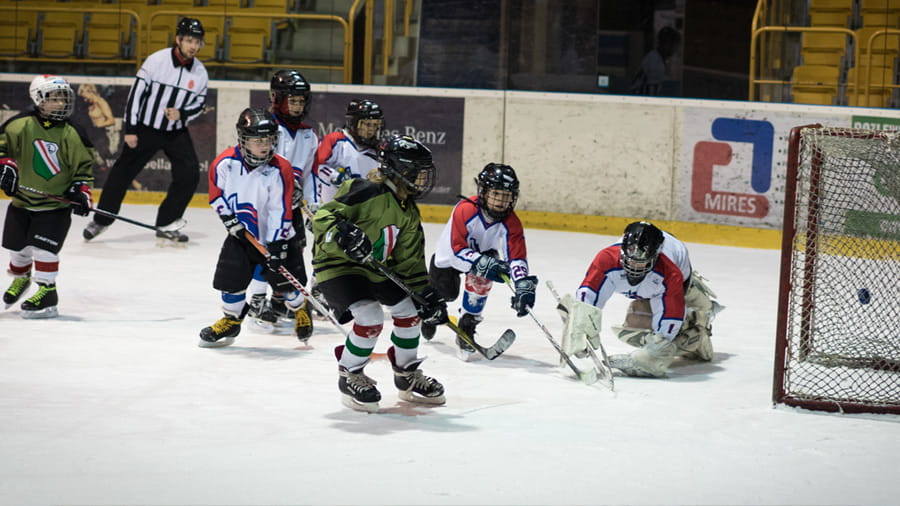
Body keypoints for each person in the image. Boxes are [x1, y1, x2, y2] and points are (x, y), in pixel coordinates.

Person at [312, 134, 448, 413]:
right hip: (337, 266)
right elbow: (323, 218)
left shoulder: (408, 211)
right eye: (417, 173)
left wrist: (427, 295)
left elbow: (408, 262)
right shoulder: (364, 190)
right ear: (399, 170)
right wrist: (342, 235)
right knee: (370, 316)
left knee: (410, 312)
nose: (423, 180)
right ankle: (350, 373)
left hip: (375, 268)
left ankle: (406, 374)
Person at [82, 17, 208, 245]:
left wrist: (182, 113)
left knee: (189, 174)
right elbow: (136, 96)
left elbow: (199, 104)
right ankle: (101, 220)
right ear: (178, 39)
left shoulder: (200, 72)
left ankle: (167, 223)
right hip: (146, 129)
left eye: (197, 42)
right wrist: (131, 130)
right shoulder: (156, 61)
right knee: (122, 173)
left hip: (175, 131)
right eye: (189, 40)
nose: (193, 46)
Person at [200, 107, 310, 347]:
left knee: (287, 285)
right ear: (243, 140)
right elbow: (216, 195)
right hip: (242, 236)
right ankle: (231, 320)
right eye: (257, 140)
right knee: (230, 280)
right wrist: (229, 221)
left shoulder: (281, 168)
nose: (264, 145)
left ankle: (300, 309)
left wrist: (278, 245)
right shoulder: (225, 163)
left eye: (268, 139)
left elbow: (280, 210)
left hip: (276, 238)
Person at [573, 221, 721, 378]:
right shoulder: (607, 259)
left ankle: (697, 332)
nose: (635, 264)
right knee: (636, 324)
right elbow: (589, 292)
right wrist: (581, 326)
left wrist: (654, 352)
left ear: (657, 254)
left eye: (642, 259)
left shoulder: (671, 273)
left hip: (678, 281)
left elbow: (671, 317)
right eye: (631, 255)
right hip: (654, 284)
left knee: (648, 326)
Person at [1, 75, 95, 319]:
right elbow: (2, 149)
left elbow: (83, 168)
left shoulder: (72, 132)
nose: (61, 103)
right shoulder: (19, 125)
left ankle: (47, 290)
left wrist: (81, 191)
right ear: (38, 99)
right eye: (54, 99)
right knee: (17, 249)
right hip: (22, 202)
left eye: (63, 98)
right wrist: (5, 165)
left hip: (54, 205)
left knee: (44, 251)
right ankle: (21, 280)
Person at [425, 163, 537, 358]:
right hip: (448, 261)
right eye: (496, 194)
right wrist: (481, 262)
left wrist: (522, 283)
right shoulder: (466, 210)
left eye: (507, 196)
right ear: (484, 192)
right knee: (445, 296)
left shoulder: (511, 221)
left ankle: (467, 323)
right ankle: (427, 313)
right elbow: (455, 250)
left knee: (486, 267)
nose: (502, 201)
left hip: (479, 259)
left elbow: (516, 256)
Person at [242, 69, 317, 340]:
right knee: (265, 252)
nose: (296, 106)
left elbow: (309, 174)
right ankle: (258, 302)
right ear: (277, 98)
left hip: (291, 208)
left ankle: (279, 301)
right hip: (265, 206)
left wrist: (312, 204)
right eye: (291, 100)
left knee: (291, 254)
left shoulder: (309, 135)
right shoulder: (265, 127)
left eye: (300, 101)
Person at [309, 98, 384, 211]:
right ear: (353, 123)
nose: (371, 130)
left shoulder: (377, 151)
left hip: (363, 213)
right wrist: (336, 177)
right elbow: (319, 167)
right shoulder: (336, 140)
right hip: (333, 210)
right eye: (367, 124)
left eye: (375, 125)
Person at [630, 26, 682, 96]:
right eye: (674, 45)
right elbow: (651, 95)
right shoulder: (656, 64)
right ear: (667, 45)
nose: (675, 49)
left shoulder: (653, 55)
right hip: (639, 101)